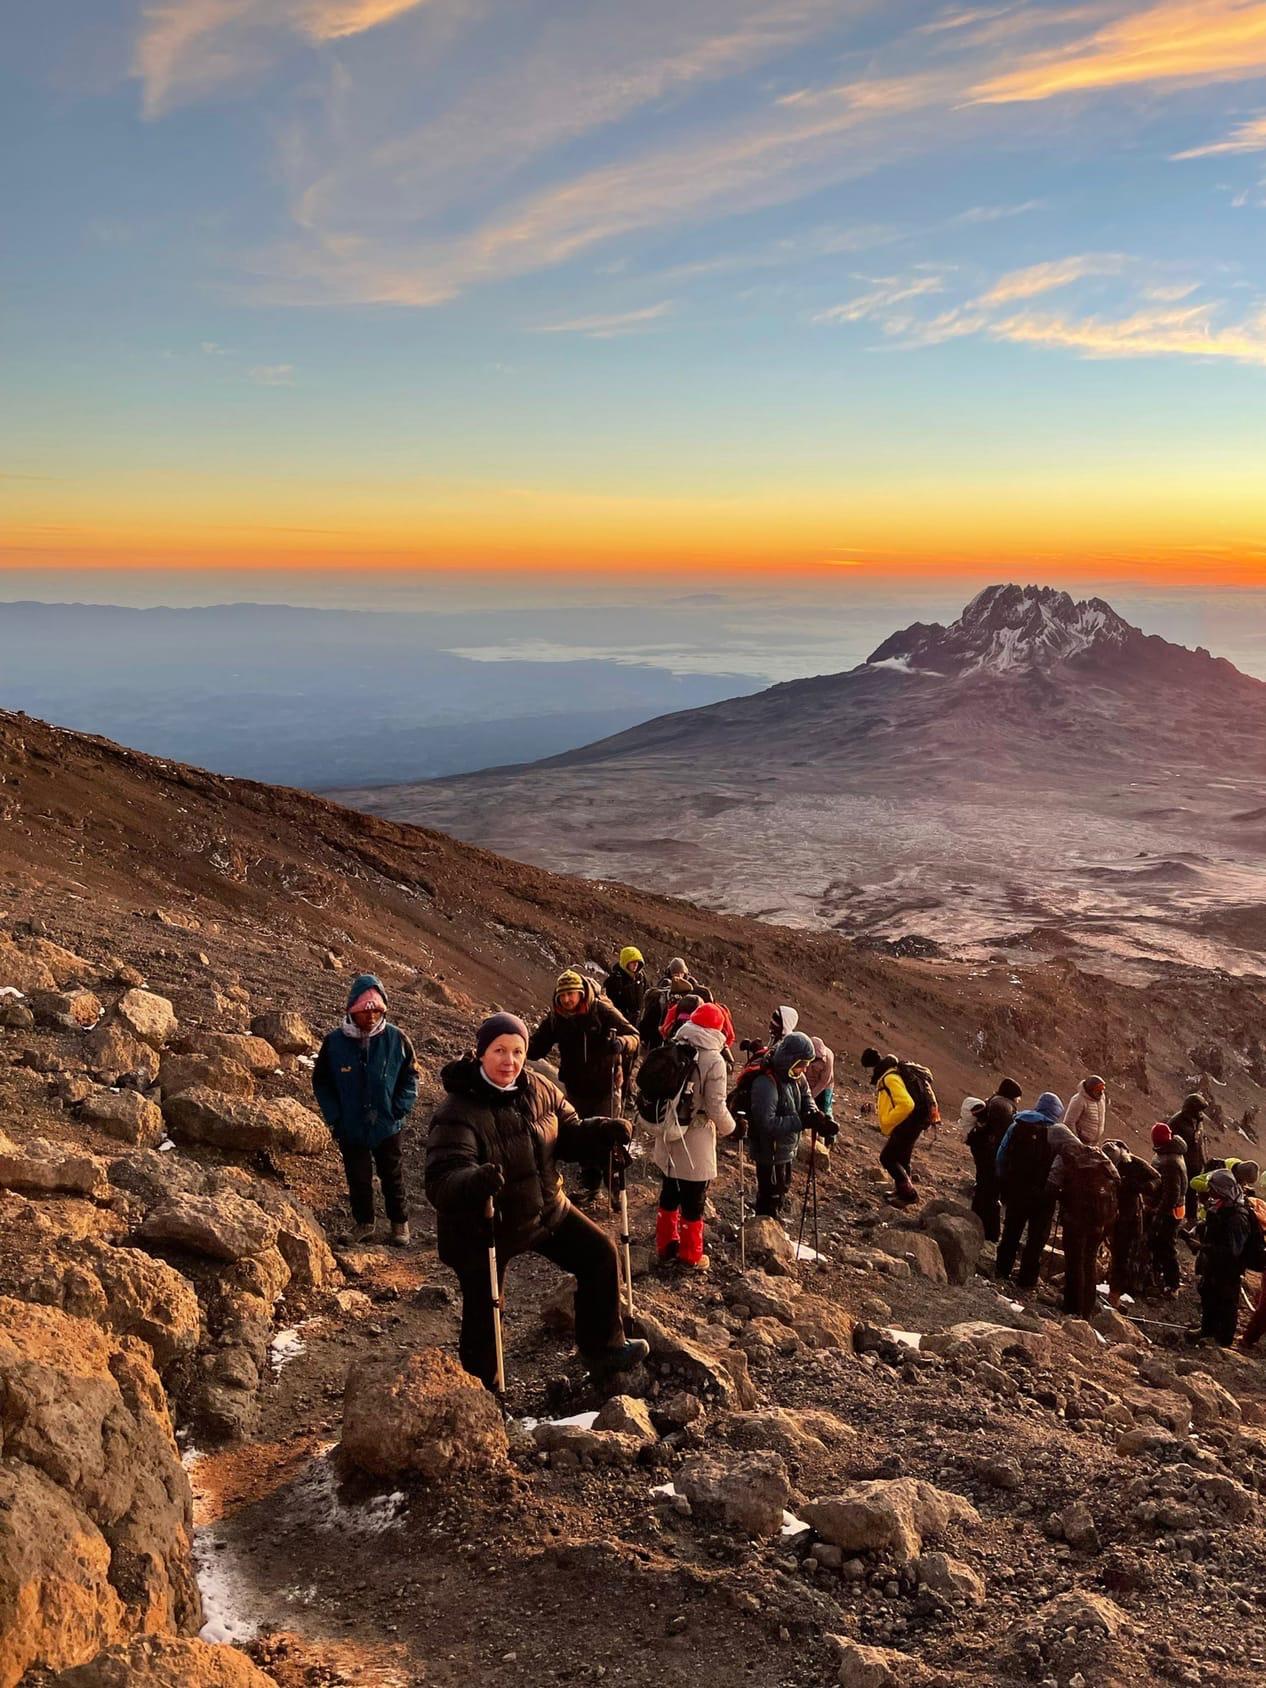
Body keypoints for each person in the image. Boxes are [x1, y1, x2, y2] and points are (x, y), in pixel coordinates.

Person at [425, 1012, 649, 1386]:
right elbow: (441, 1180)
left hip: (543, 1209)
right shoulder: (457, 1112)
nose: (509, 1061)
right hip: (483, 1226)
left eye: (517, 1051)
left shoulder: (539, 1088)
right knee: (485, 1310)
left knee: (599, 1254)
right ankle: (483, 1390)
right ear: (481, 1053)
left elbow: (569, 1132)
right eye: (499, 1050)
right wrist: (473, 1181)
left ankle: (602, 1348)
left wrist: (600, 1134)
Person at [312, 974, 418, 1245]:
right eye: (364, 1011)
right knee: (357, 1177)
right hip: (351, 1125)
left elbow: (410, 1077)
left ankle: (399, 1224)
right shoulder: (335, 1043)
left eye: (376, 1010)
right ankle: (364, 1223)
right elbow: (322, 1082)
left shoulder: (397, 1040)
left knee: (392, 1175)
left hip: (386, 1123)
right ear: (352, 1010)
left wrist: (398, 1110)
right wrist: (335, 1118)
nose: (370, 1016)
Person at [528, 969, 639, 1203]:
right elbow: (537, 1047)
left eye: (572, 994)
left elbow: (634, 1035)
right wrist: (514, 1047)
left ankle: (617, 1192)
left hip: (606, 1087)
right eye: (563, 995)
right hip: (576, 1089)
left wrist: (621, 1042)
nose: (567, 999)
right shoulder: (556, 1019)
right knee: (584, 1138)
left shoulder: (601, 1011)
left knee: (608, 1138)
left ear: (581, 993)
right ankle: (591, 1188)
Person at [646, 1003, 737, 1270]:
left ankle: (665, 1246)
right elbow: (716, 1107)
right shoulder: (714, 1060)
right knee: (694, 1199)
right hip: (695, 1138)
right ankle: (689, 1255)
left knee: (669, 1192)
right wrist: (733, 1128)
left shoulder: (675, 1044)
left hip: (667, 1131)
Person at [749, 1031, 832, 1219]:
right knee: (770, 1191)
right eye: (801, 1065)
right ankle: (764, 1227)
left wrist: (816, 1115)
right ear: (790, 1060)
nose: (804, 1070)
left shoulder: (794, 1077)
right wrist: (801, 1122)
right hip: (769, 1150)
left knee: (782, 1185)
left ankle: (771, 1221)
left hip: (784, 1146)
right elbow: (766, 1123)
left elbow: (806, 1097)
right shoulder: (766, 1083)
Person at [994, 1091, 1065, 1287]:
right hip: (1043, 1195)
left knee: (1011, 1230)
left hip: (1017, 1188)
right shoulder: (1058, 1132)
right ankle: (1027, 1280)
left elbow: (1001, 1153)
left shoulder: (1018, 1124)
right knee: (1036, 1237)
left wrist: (1003, 1179)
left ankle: (1002, 1270)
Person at [1047, 1126, 1119, 1317]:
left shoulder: (1067, 1157)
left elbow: (1052, 1187)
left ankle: (1072, 1307)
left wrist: (1063, 1198)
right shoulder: (1096, 1156)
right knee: (1089, 1261)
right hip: (1100, 1220)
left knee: (1074, 1262)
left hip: (1077, 1219)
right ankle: (1087, 1308)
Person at [861, 1047, 938, 1206]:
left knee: (887, 1158)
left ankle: (909, 1194)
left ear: (872, 1067)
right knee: (903, 1158)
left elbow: (906, 1104)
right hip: (914, 1121)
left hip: (907, 1123)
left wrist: (889, 1121)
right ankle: (901, 1192)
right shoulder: (893, 1072)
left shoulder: (889, 1078)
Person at [1197, 1169, 1259, 1347]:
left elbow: (1233, 1251)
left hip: (1229, 1270)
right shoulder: (1222, 1206)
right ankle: (1206, 1331)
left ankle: (1223, 1341)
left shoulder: (1238, 1217)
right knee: (1209, 1295)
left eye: (1212, 1187)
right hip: (1215, 1265)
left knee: (1225, 1302)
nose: (1209, 1190)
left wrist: (1205, 1248)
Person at [1102, 1140, 1160, 1306]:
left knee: (1121, 1254)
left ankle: (1115, 1295)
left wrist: (1141, 1187)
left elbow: (1157, 1179)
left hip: (1128, 1216)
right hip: (1108, 1210)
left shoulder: (1133, 1164)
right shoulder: (1103, 1161)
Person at [967, 1078, 1023, 1243]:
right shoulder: (1004, 1107)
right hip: (992, 1155)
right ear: (1012, 1095)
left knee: (983, 1189)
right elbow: (1004, 1136)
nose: (1019, 1101)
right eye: (1018, 1097)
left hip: (983, 1152)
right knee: (991, 1194)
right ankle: (990, 1234)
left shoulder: (994, 1101)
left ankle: (974, 1223)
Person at [1149, 1122, 1188, 1298]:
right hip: (1175, 1208)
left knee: (1166, 1246)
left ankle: (1172, 1285)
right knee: (1162, 1244)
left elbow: (1172, 1193)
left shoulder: (1170, 1161)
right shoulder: (1173, 1153)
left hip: (1170, 1211)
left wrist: (1159, 1213)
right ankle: (1159, 1278)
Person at [639, 957, 712, 1051]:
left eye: (681, 973)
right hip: (661, 1029)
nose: (678, 977)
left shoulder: (693, 987)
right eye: (675, 974)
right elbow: (652, 1016)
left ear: (685, 973)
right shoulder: (663, 989)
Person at [1168, 1093, 1209, 1224]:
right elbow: (1169, 1144)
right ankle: (1174, 1220)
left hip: (1195, 1164)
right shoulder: (1176, 1122)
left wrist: (1204, 1161)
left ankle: (1191, 1219)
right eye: (1199, 1110)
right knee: (1180, 1193)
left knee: (1193, 1193)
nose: (1201, 1113)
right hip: (1182, 1165)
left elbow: (1201, 1143)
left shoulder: (1198, 1122)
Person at [603, 947, 647, 1028]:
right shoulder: (614, 980)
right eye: (632, 962)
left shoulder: (641, 978)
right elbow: (607, 1004)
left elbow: (646, 994)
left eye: (637, 962)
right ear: (625, 962)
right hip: (620, 1022)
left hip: (638, 1022)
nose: (635, 965)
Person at [1064, 1075, 1108, 1147]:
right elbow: (1069, 1122)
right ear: (1090, 1089)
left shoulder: (1101, 1097)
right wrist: (1077, 1142)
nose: (1101, 1093)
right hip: (1081, 1142)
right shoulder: (1079, 1100)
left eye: (1102, 1090)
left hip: (1094, 1143)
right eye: (1098, 1091)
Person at [807, 1037, 835, 1118]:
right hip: (807, 1082)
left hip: (824, 1086)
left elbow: (824, 1082)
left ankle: (828, 1125)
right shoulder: (803, 1052)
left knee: (824, 1109)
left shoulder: (828, 1057)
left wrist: (810, 1097)